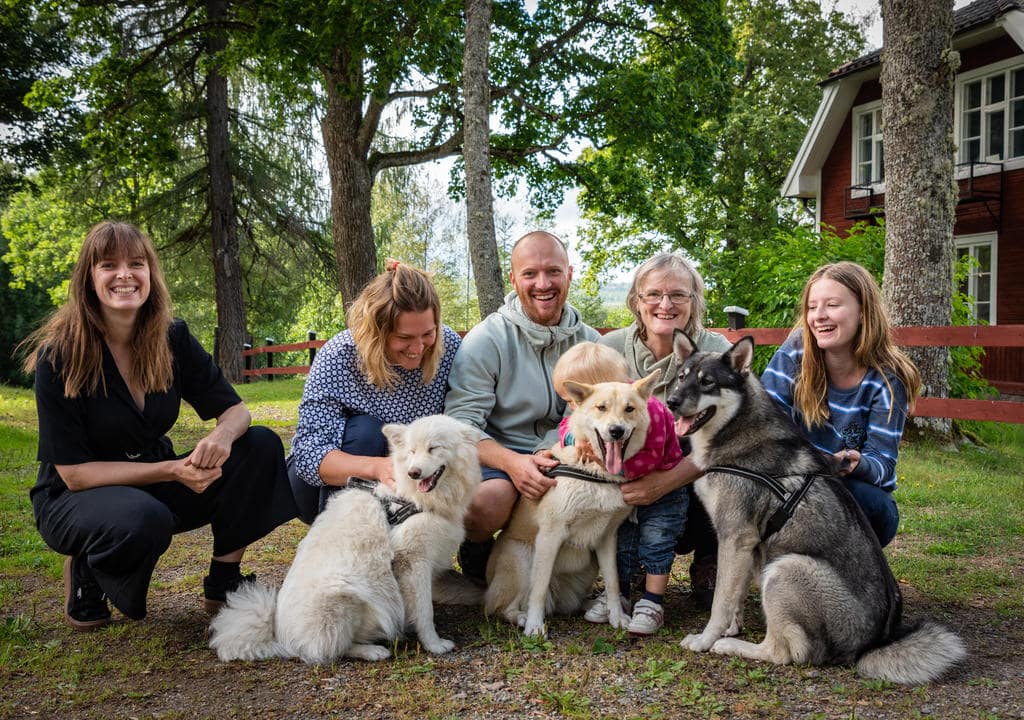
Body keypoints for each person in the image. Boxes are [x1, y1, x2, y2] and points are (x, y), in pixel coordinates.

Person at [26, 221, 297, 631]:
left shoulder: (171, 337)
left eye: (137, 263)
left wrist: (221, 437)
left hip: (152, 482)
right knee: (143, 518)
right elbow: (75, 474)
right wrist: (172, 470)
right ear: (88, 278)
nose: (125, 275)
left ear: (150, 274)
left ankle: (224, 581)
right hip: (75, 498)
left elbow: (237, 411)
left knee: (257, 445)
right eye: (108, 265)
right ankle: (88, 568)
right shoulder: (59, 357)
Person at [444, 230, 599, 581]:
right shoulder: (487, 339)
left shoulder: (590, 341)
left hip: (563, 452)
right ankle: (478, 551)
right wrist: (514, 463)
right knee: (490, 501)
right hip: (499, 456)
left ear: (569, 274)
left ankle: (605, 569)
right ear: (513, 279)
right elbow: (462, 423)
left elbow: (589, 415)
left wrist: (557, 453)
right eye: (530, 274)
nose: (542, 283)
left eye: (553, 271)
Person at [598, 251, 731, 608]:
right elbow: (583, 415)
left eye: (678, 295)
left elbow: (736, 434)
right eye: (653, 294)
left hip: (697, 477)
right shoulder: (609, 350)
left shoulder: (716, 351)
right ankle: (636, 563)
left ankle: (710, 558)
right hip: (628, 479)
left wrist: (665, 482)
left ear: (694, 302)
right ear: (636, 301)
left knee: (702, 446)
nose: (665, 304)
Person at [761, 261, 921, 547]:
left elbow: (883, 464)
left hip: (840, 483)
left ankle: (840, 565)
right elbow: (764, 419)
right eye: (812, 307)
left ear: (863, 311)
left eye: (832, 305)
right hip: (789, 478)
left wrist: (858, 464)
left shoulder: (887, 378)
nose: (819, 316)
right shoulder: (796, 350)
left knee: (877, 507)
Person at [288, 260, 461, 522]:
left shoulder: (450, 347)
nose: (417, 348)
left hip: (414, 478)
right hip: (321, 487)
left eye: (428, 333)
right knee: (367, 431)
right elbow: (309, 455)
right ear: (377, 331)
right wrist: (377, 468)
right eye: (404, 338)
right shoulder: (339, 356)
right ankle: (341, 546)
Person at [551, 342, 683, 635]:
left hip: (665, 487)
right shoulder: (594, 407)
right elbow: (566, 427)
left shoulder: (653, 410)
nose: (573, 407)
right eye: (573, 402)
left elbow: (653, 455)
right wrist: (577, 440)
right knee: (623, 541)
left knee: (656, 542)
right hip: (628, 486)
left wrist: (616, 469)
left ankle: (653, 601)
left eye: (577, 400)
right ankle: (620, 595)